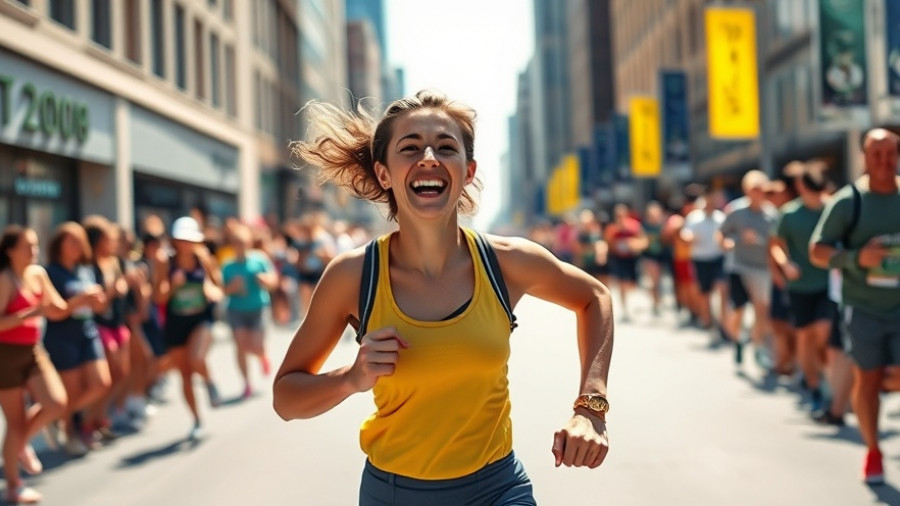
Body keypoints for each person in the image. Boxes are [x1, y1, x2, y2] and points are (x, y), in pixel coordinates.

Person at [274, 91, 613, 505]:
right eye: (410, 148)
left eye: (446, 147)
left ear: (467, 171)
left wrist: (591, 408)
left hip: (498, 489)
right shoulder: (354, 276)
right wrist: (351, 378)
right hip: (395, 494)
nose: (429, 157)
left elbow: (594, 297)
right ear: (384, 174)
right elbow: (286, 398)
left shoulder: (506, 262)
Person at [810, 128, 900, 484]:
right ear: (864, 157)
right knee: (868, 379)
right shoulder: (849, 201)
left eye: (891, 153)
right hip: (863, 307)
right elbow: (818, 252)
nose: (884, 160)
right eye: (876, 153)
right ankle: (874, 450)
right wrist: (856, 257)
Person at [0, 226, 69, 504]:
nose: (35, 251)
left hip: (33, 350)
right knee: (15, 423)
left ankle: (19, 446)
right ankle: (14, 484)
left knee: (57, 402)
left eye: (37, 245)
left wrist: (85, 300)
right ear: (10, 250)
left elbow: (59, 309)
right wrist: (30, 313)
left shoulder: (38, 274)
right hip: (5, 355)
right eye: (29, 246)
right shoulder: (5, 279)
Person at [152, 216, 224, 441]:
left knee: (196, 359)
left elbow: (218, 286)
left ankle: (210, 382)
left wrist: (210, 288)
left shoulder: (204, 259)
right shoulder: (166, 262)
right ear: (174, 240)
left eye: (189, 239)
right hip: (176, 323)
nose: (185, 244)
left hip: (200, 319)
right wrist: (173, 286)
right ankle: (196, 420)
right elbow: (158, 297)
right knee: (185, 375)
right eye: (181, 239)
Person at [770, 162, 834, 414]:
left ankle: (829, 378)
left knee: (824, 331)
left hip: (828, 283)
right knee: (805, 336)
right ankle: (814, 386)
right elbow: (776, 244)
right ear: (801, 187)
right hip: (799, 286)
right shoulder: (789, 214)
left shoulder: (832, 209)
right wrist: (784, 265)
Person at [718, 171, 778, 369]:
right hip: (739, 266)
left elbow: (776, 242)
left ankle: (758, 346)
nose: (758, 193)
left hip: (762, 268)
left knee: (762, 310)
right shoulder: (736, 210)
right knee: (739, 309)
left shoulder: (771, 214)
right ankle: (738, 340)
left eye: (761, 189)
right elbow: (721, 235)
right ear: (746, 190)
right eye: (754, 189)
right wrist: (730, 242)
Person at [83, 216, 131, 438]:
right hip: (100, 324)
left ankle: (101, 418)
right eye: (108, 239)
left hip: (118, 323)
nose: (112, 243)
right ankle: (89, 421)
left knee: (121, 373)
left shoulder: (114, 262)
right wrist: (114, 290)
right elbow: (99, 304)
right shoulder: (88, 267)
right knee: (106, 376)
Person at [222, 225, 279, 399]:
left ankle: (262, 356)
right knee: (240, 346)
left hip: (258, 307)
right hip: (236, 310)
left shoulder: (259, 259)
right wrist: (232, 288)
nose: (240, 246)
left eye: (243, 242)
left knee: (256, 345)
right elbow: (222, 290)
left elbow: (274, 280)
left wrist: (265, 280)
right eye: (236, 242)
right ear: (232, 244)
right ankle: (246, 383)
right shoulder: (228, 266)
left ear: (249, 243)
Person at [681, 188, 726, 332]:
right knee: (704, 291)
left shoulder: (721, 218)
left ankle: (722, 321)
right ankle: (707, 320)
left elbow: (726, 236)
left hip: (718, 258)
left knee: (722, 288)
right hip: (701, 260)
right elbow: (685, 234)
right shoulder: (694, 218)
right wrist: (689, 238)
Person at [605, 204, 647, 322]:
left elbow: (643, 241)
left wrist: (633, 244)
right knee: (621, 283)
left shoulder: (634, 226)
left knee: (631, 283)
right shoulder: (612, 229)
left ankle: (632, 303)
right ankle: (625, 308)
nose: (620, 217)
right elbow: (609, 244)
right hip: (618, 259)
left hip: (632, 259)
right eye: (617, 215)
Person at [642, 202, 667, 316]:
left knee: (658, 281)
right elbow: (642, 241)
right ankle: (655, 302)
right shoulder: (645, 227)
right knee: (654, 281)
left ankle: (657, 301)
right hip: (649, 256)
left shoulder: (662, 226)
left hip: (661, 256)